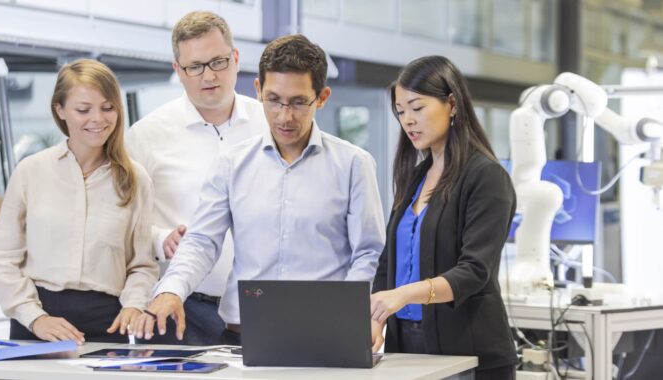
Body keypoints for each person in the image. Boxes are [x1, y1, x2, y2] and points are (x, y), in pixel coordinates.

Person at [134, 34, 386, 345]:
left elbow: (369, 252)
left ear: (321, 98)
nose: (284, 116)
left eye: (298, 102)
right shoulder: (232, 163)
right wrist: (171, 289)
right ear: (258, 91)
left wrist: (347, 317)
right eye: (274, 100)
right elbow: (202, 241)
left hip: (324, 335)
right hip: (242, 337)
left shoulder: (353, 164)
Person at [0, 59, 158, 344]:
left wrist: (134, 305)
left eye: (108, 107)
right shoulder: (31, 172)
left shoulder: (135, 179)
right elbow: (3, 259)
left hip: (106, 323)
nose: (98, 119)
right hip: (37, 323)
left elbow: (142, 265)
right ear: (60, 110)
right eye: (83, 109)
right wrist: (35, 317)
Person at [369, 56, 518, 379]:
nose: (408, 120)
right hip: (405, 349)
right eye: (400, 111)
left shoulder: (486, 177)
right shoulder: (415, 177)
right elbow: (388, 264)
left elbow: (474, 271)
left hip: (470, 353)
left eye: (417, 108)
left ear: (451, 103)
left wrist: (404, 294)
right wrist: (377, 315)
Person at [126, 11, 267, 345]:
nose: (209, 75)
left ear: (235, 59)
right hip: (180, 309)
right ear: (178, 70)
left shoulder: (271, 125)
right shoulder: (146, 136)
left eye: (218, 61)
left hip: (261, 308)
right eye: (195, 66)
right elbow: (120, 225)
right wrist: (160, 238)